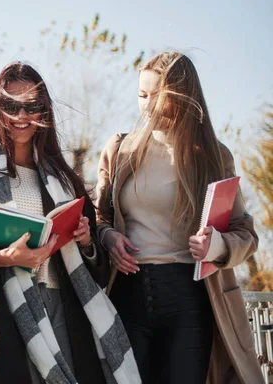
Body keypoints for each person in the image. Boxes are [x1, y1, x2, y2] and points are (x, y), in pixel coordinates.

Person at [0, 62, 139, 383]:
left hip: (62, 307)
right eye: (10, 106)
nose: (21, 116)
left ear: (45, 110)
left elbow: (96, 265)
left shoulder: (65, 180)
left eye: (32, 106)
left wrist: (84, 241)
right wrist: (2, 258)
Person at [96, 51, 262, 383]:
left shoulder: (213, 157)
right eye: (142, 95)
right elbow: (98, 215)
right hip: (125, 296)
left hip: (190, 299)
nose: (146, 105)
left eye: (156, 96)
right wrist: (108, 237)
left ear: (182, 98)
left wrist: (216, 246)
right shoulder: (120, 149)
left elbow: (246, 234)